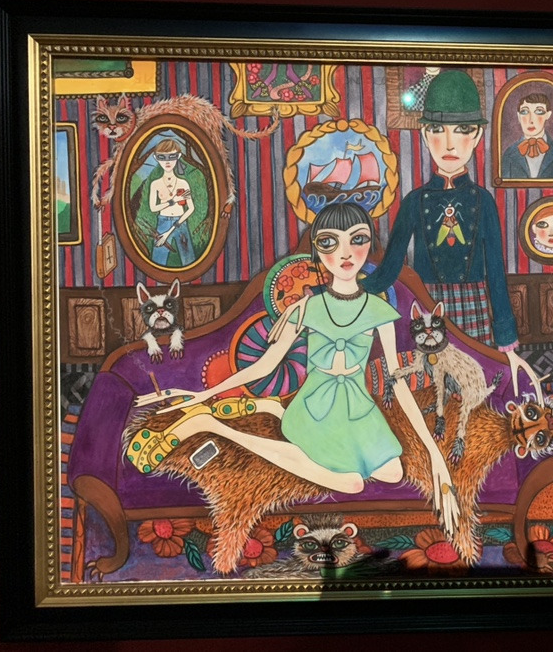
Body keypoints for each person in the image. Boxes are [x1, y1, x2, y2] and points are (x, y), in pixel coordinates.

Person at [130, 202, 459, 534]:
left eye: (357, 239)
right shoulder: (306, 308)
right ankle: (215, 426)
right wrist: (202, 395)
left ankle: (271, 408)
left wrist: (436, 457)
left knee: (393, 472)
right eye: (330, 242)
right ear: (317, 251)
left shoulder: (379, 310)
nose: (345, 253)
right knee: (352, 483)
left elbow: (398, 382)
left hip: (360, 410)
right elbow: (265, 366)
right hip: (314, 408)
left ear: (369, 244)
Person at [361, 70, 542, 399]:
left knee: (475, 389)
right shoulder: (414, 201)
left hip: (474, 306)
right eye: (437, 130)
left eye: (462, 131)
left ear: (477, 136)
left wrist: (506, 339)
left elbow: (496, 271)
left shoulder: (482, 201)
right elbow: (390, 267)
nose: (448, 144)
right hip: (428, 307)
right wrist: (353, 290)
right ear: (424, 134)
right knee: (433, 391)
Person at [147, 139, 196, 266]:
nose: (167, 161)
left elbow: (191, 209)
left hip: (181, 222)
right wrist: (173, 201)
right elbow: (153, 208)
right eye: (162, 157)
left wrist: (170, 231)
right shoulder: (155, 184)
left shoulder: (183, 183)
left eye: (172, 156)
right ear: (156, 158)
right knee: (158, 261)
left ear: (178, 156)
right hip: (163, 222)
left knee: (189, 260)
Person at [500, 93, 553, 180]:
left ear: (548, 115)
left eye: (539, 111)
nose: (531, 120)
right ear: (518, 116)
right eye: (524, 112)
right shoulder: (509, 154)